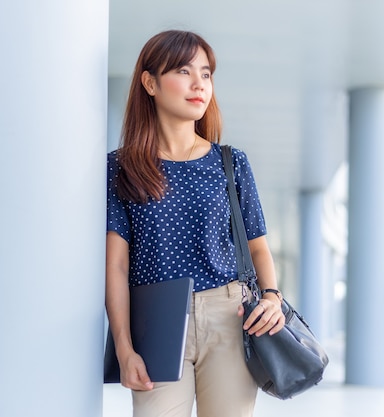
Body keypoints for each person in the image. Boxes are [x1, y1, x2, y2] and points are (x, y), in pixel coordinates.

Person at [105, 30, 285, 417]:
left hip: (231, 316)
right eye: (184, 71)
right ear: (150, 82)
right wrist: (123, 347)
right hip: (157, 322)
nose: (198, 84)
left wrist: (272, 297)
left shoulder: (230, 162)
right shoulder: (121, 168)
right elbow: (116, 266)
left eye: (206, 74)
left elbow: (257, 246)